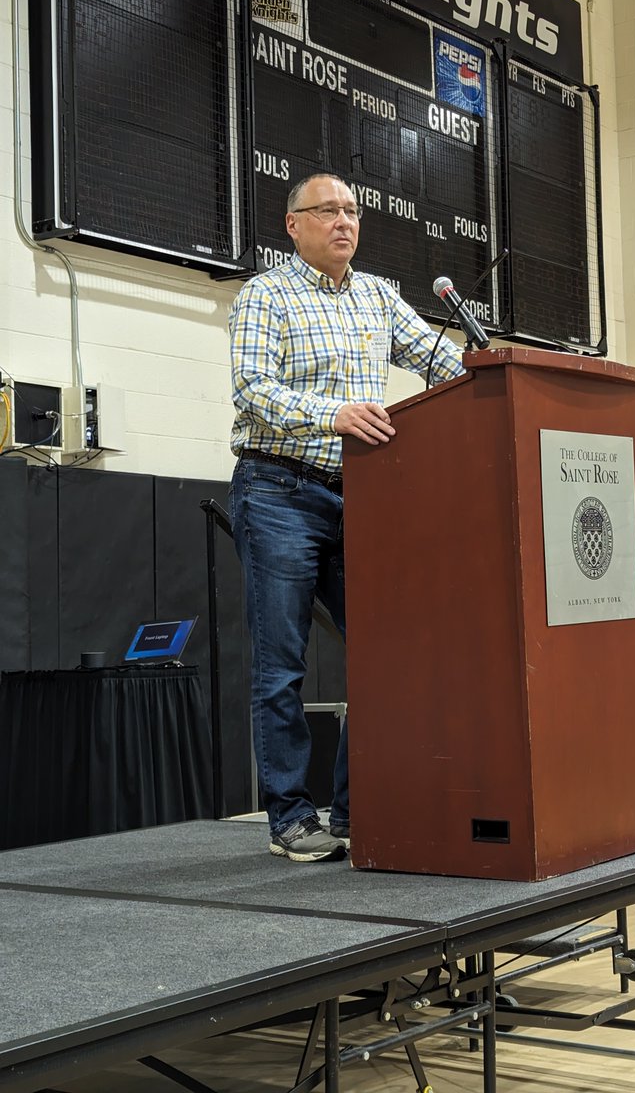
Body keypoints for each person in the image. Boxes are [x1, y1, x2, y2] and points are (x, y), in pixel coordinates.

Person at [228, 173, 465, 861]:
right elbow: (252, 388)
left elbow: (442, 361)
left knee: (387, 652)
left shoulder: (378, 296)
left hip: (363, 495)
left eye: (352, 211)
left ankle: (356, 810)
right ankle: (289, 818)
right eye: (327, 210)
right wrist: (331, 414)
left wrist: (498, 371)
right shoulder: (266, 295)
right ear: (293, 224)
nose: (343, 221)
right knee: (282, 666)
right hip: (278, 489)